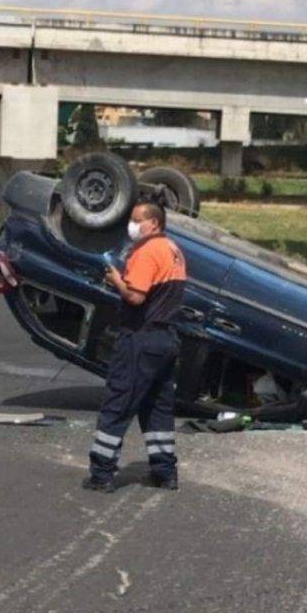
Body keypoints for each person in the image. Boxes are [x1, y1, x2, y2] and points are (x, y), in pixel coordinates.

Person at [83, 201, 187, 493]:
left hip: (140, 337)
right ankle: (165, 472)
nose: (132, 224)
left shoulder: (146, 251)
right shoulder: (173, 250)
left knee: (119, 401)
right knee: (158, 407)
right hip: (166, 338)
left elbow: (136, 297)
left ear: (153, 223)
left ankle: (101, 474)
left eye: (136, 219)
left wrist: (117, 279)